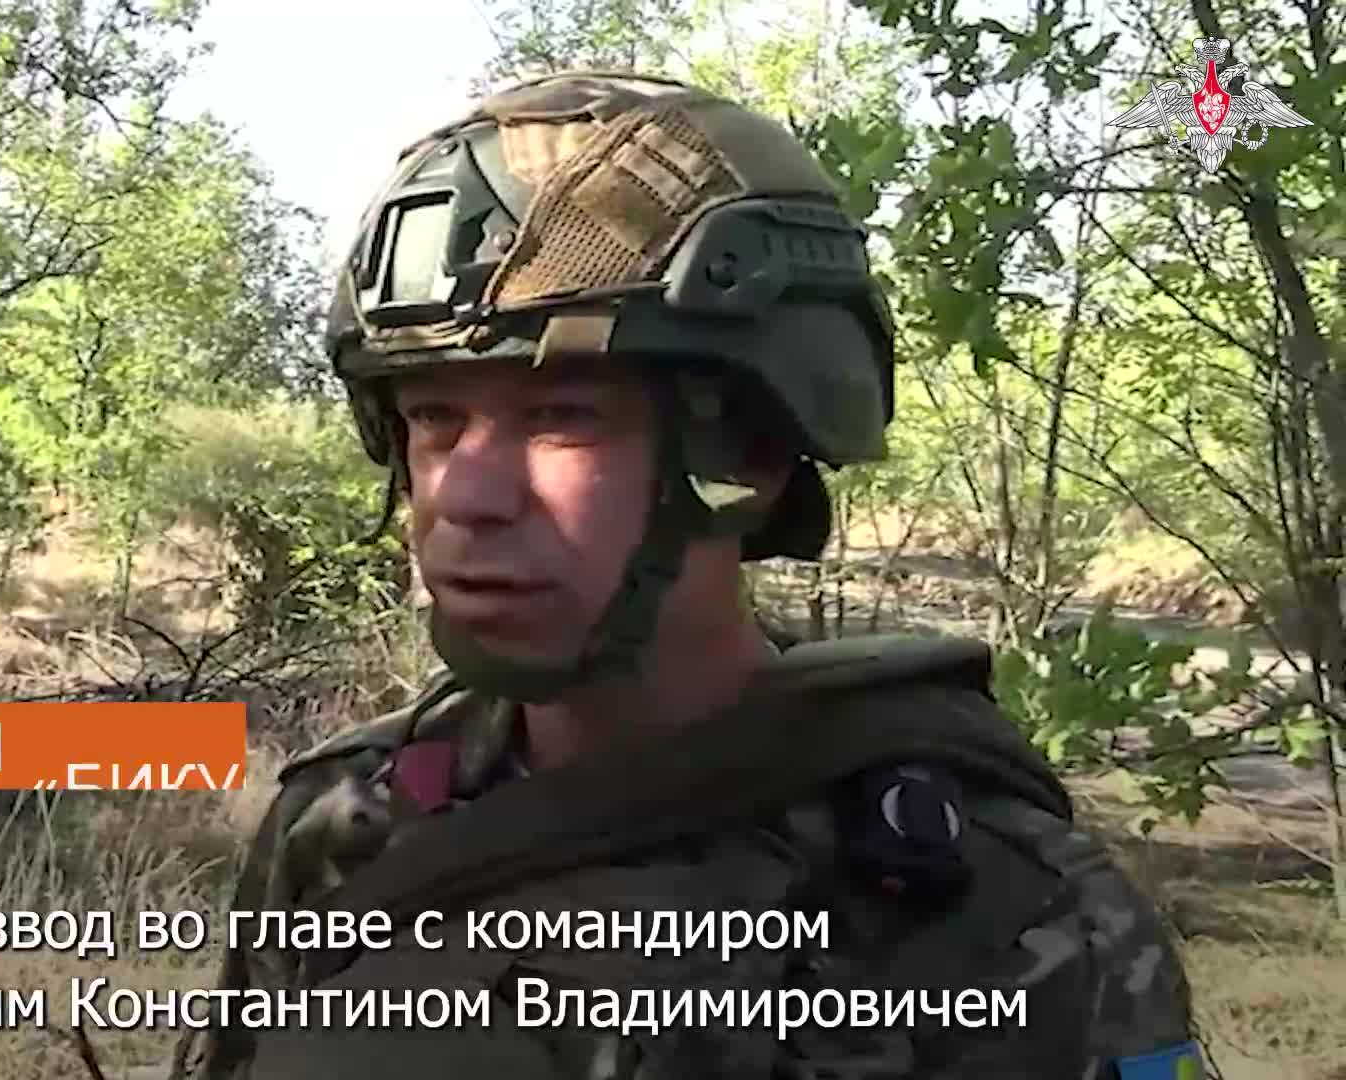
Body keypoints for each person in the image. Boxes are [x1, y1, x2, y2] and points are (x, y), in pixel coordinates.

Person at [174, 70, 1206, 1080]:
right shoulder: (345, 819)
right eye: (434, 419)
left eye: (561, 418)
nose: (469, 496)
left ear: (749, 456)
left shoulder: (1005, 908)